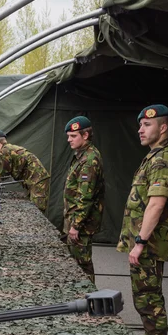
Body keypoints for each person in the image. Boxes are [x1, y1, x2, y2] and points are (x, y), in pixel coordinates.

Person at [117, 104, 168, 335]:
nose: (140, 129)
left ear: (163, 128)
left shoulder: (162, 159)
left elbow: (157, 203)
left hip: (148, 246)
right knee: (145, 299)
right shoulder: (153, 157)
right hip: (145, 245)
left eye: (147, 125)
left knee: (150, 300)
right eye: (139, 125)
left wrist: (139, 242)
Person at [63, 116, 105, 283]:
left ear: (85, 135)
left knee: (82, 266)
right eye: (68, 136)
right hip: (76, 220)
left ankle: (89, 304)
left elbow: (85, 197)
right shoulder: (82, 155)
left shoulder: (89, 160)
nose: (69, 140)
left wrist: (76, 225)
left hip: (81, 224)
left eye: (73, 136)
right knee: (76, 264)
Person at [0, 131, 49, 213]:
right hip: (34, 179)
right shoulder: (9, 149)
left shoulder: (5, 152)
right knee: (33, 208)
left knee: (37, 210)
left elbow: (3, 175)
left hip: (37, 180)